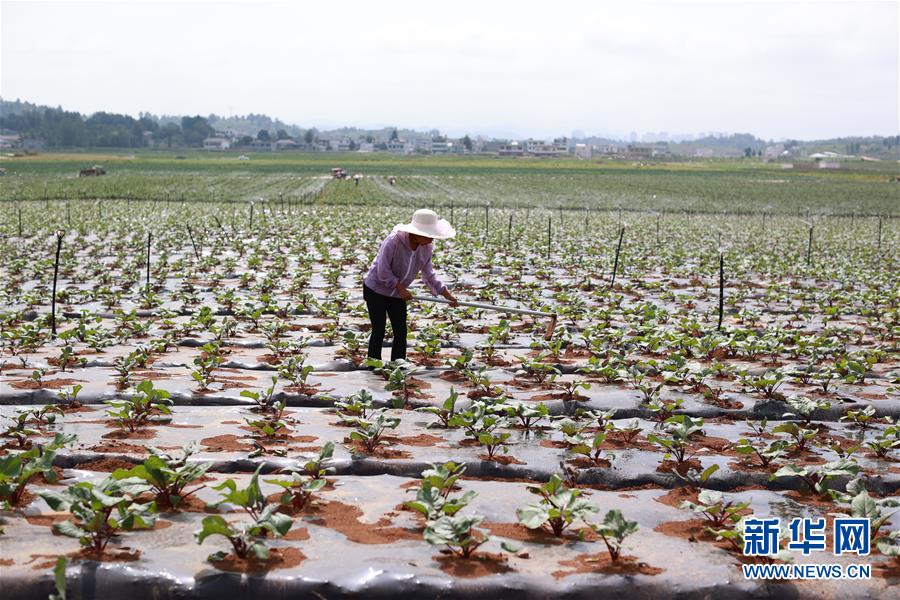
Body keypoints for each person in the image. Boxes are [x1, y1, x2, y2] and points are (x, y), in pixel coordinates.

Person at [363, 209, 458, 362]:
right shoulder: (393, 241)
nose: (432, 239)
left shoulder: (426, 248)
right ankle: (373, 366)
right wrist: (400, 288)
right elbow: (383, 271)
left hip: (397, 294)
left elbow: (429, 274)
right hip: (376, 290)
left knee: (401, 331)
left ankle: (398, 365)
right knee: (379, 329)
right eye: (429, 235)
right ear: (417, 233)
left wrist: (446, 294)